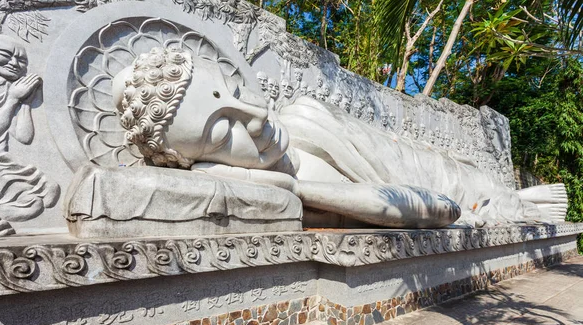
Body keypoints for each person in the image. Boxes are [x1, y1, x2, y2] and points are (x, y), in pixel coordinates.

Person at [112, 45, 564, 228]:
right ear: (195, 163)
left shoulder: (306, 117)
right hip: (450, 201)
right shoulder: (290, 192)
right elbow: (439, 210)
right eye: (223, 130)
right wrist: (296, 188)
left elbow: (444, 201)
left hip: (457, 179)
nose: (255, 116)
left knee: (498, 202)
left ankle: (518, 202)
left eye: (234, 94)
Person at [0, 34, 59, 224]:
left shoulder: (14, 86)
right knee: (31, 203)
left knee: (50, 189)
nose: (14, 63)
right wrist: (13, 99)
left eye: (22, 60)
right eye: (5, 54)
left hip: (2, 161)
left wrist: (26, 102)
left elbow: (24, 137)